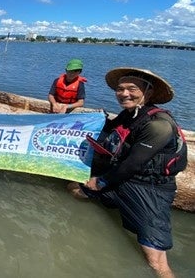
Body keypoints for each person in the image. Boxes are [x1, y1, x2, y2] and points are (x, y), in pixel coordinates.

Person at [72, 67, 183, 278]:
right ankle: (107, 205)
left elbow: (132, 164)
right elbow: (109, 131)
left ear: (148, 93)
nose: (124, 94)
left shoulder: (159, 125)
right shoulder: (129, 114)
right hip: (122, 180)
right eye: (120, 89)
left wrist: (100, 182)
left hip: (150, 190)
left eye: (132, 89)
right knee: (74, 189)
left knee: (156, 262)